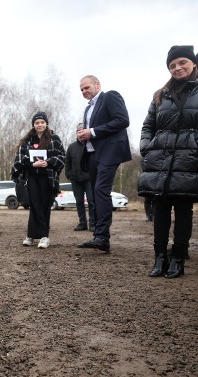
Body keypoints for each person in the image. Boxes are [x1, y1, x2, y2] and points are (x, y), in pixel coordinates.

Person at [138, 45, 198, 278]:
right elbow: (147, 126)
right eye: (172, 65)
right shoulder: (159, 95)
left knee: (183, 209)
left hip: (188, 159)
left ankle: (177, 258)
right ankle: (159, 257)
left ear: (193, 63)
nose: (177, 68)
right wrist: (146, 147)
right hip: (160, 158)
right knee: (160, 208)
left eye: (182, 62)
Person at [76, 75, 131, 253]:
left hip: (109, 151)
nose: (84, 91)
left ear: (97, 84)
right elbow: (92, 132)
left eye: (87, 87)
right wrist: (83, 135)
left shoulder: (110, 96)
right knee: (95, 193)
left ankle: (101, 236)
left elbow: (123, 120)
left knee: (101, 190)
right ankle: (100, 237)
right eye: (82, 90)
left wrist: (92, 131)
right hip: (92, 154)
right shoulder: (87, 110)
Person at [11, 112, 65, 248]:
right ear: (33, 125)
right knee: (34, 205)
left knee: (45, 205)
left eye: (42, 122)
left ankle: (44, 237)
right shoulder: (27, 140)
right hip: (32, 178)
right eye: (37, 123)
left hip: (48, 178)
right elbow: (19, 159)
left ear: (46, 123)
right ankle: (31, 235)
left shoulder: (55, 138)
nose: (39, 125)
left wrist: (49, 162)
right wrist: (32, 164)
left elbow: (62, 156)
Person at [65, 123, 96, 231]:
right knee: (79, 202)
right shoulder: (71, 147)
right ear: (76, 133)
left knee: (91, 201)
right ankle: (82, 223)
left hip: (89, 179)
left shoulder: (91, 145)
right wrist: (68, 174)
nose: (81, 133)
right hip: (75, 179)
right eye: (79, 131)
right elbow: (67, 161)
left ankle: (93, 223)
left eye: (83, 131)